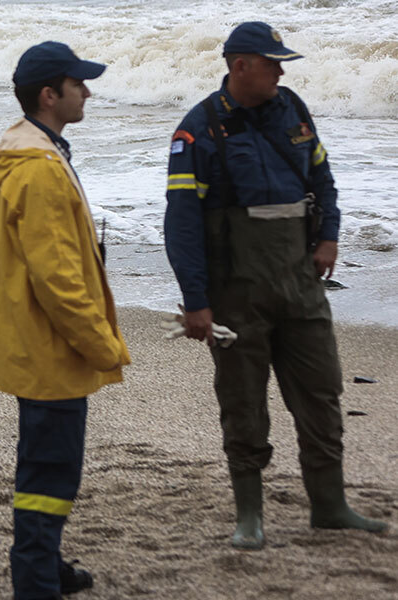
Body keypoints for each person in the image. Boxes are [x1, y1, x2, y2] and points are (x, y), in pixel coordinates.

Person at [164, 22, 389, 550]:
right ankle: (250, 517)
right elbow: (181, 224)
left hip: (301, 284)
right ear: (240, 66)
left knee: (321, 394)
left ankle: (330, 507)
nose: (282, 72)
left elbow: (324, 182)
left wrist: (329, 238)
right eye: (272, 63)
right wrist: (196, 303)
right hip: (236, 295)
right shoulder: (199, 129)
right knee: (243, 404)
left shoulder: (293, 109)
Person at [0, 42, 131, 599]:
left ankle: (46, 563)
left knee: (46, 463)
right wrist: (103, 344)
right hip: (48, 346)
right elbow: (58, 279)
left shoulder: (35, 153)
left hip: (34, 340)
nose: (87, 91)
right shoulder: (39, 169)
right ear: (50, 95)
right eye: (78, 83)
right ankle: (37, 578)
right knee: (51, 471)